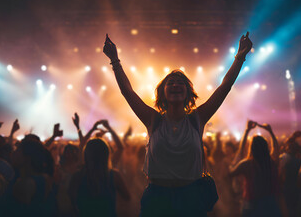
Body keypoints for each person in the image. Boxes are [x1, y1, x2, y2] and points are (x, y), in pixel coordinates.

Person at [103, 32, 252, 217]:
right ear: (162, 92)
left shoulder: (197, 119)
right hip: (157, 197)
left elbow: (225, 86)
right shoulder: (153, 119)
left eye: (180, 83)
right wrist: (115, 61)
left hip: (190, 197)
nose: (175, 85)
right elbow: (128, 92)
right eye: (170, 83)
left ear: (188, 93)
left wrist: (240, 57)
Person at [229, 120, 281, 217]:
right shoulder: (271, 163)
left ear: (251, 148)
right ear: (266, 147)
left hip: (251, 204)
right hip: (270, 203)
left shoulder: (246, 164)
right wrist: (271, 132)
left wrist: (247, 131)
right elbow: (276, 149)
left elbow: (238, 157)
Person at [69, 138, 130, 217]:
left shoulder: (77, 176)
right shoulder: (114, 175)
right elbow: (127, 197)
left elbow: (72, 201)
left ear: (86, 154)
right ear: (106, 154)